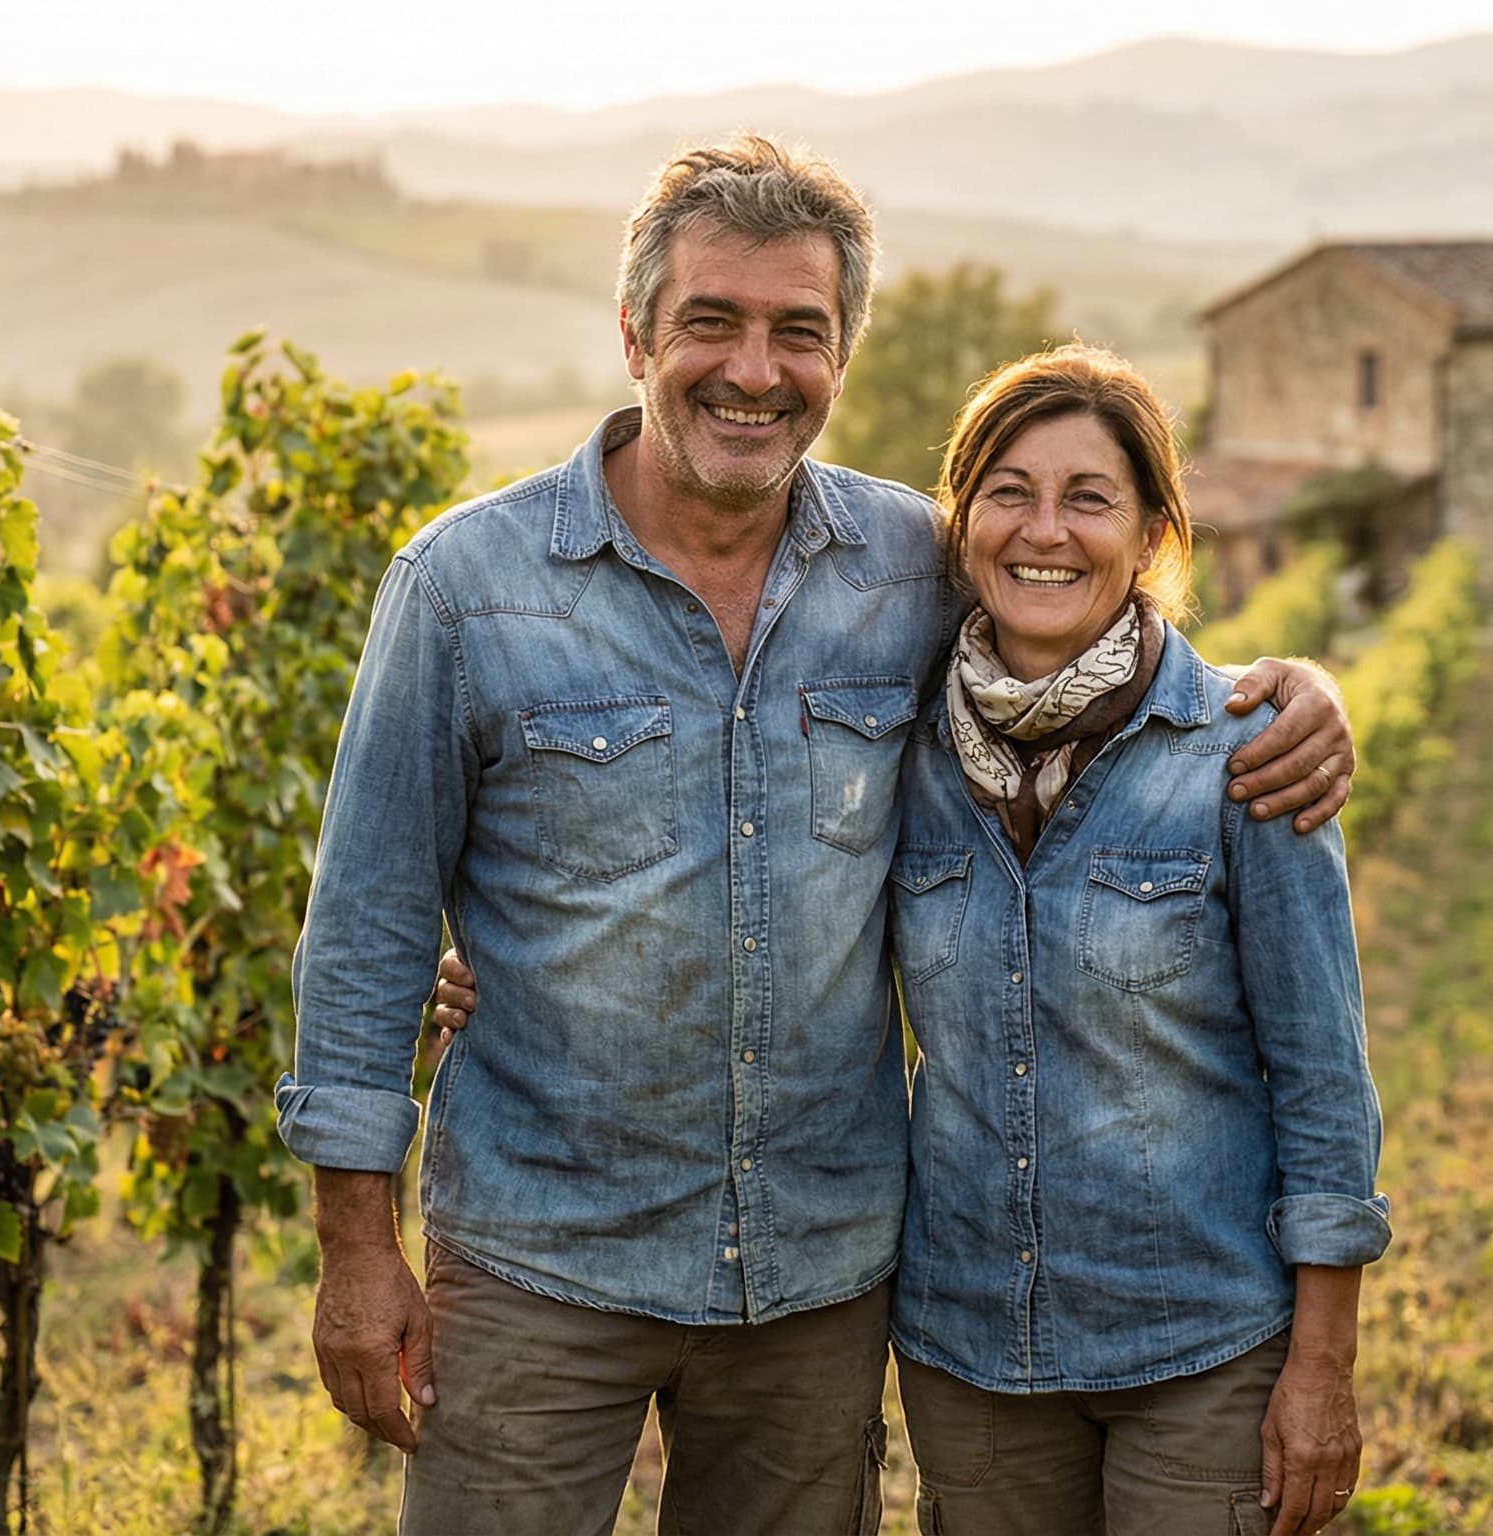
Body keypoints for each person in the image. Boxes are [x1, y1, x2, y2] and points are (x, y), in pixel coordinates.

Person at [278, 135, 1355, 1536]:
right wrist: (356, 1251)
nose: (753, 368)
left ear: (841, 353)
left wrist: (1287, 693)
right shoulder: (466, 590)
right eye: (709, 322)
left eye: (800, 331)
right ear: (633, 336)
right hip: (544, 1263)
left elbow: (1092, 634)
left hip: (815, 1283)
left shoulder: (911, 563)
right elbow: (363, 933)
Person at [887, 345, 1388, 1536]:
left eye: (1088, 497)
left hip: (1199, 1346)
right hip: (968, 1351)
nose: (1043, 529)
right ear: (960, 526)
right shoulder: (891, 755)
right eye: (1007, 490)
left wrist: (1320, 1372)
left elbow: (1322, 1084)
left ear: (1155, 532)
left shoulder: (1244, 755)